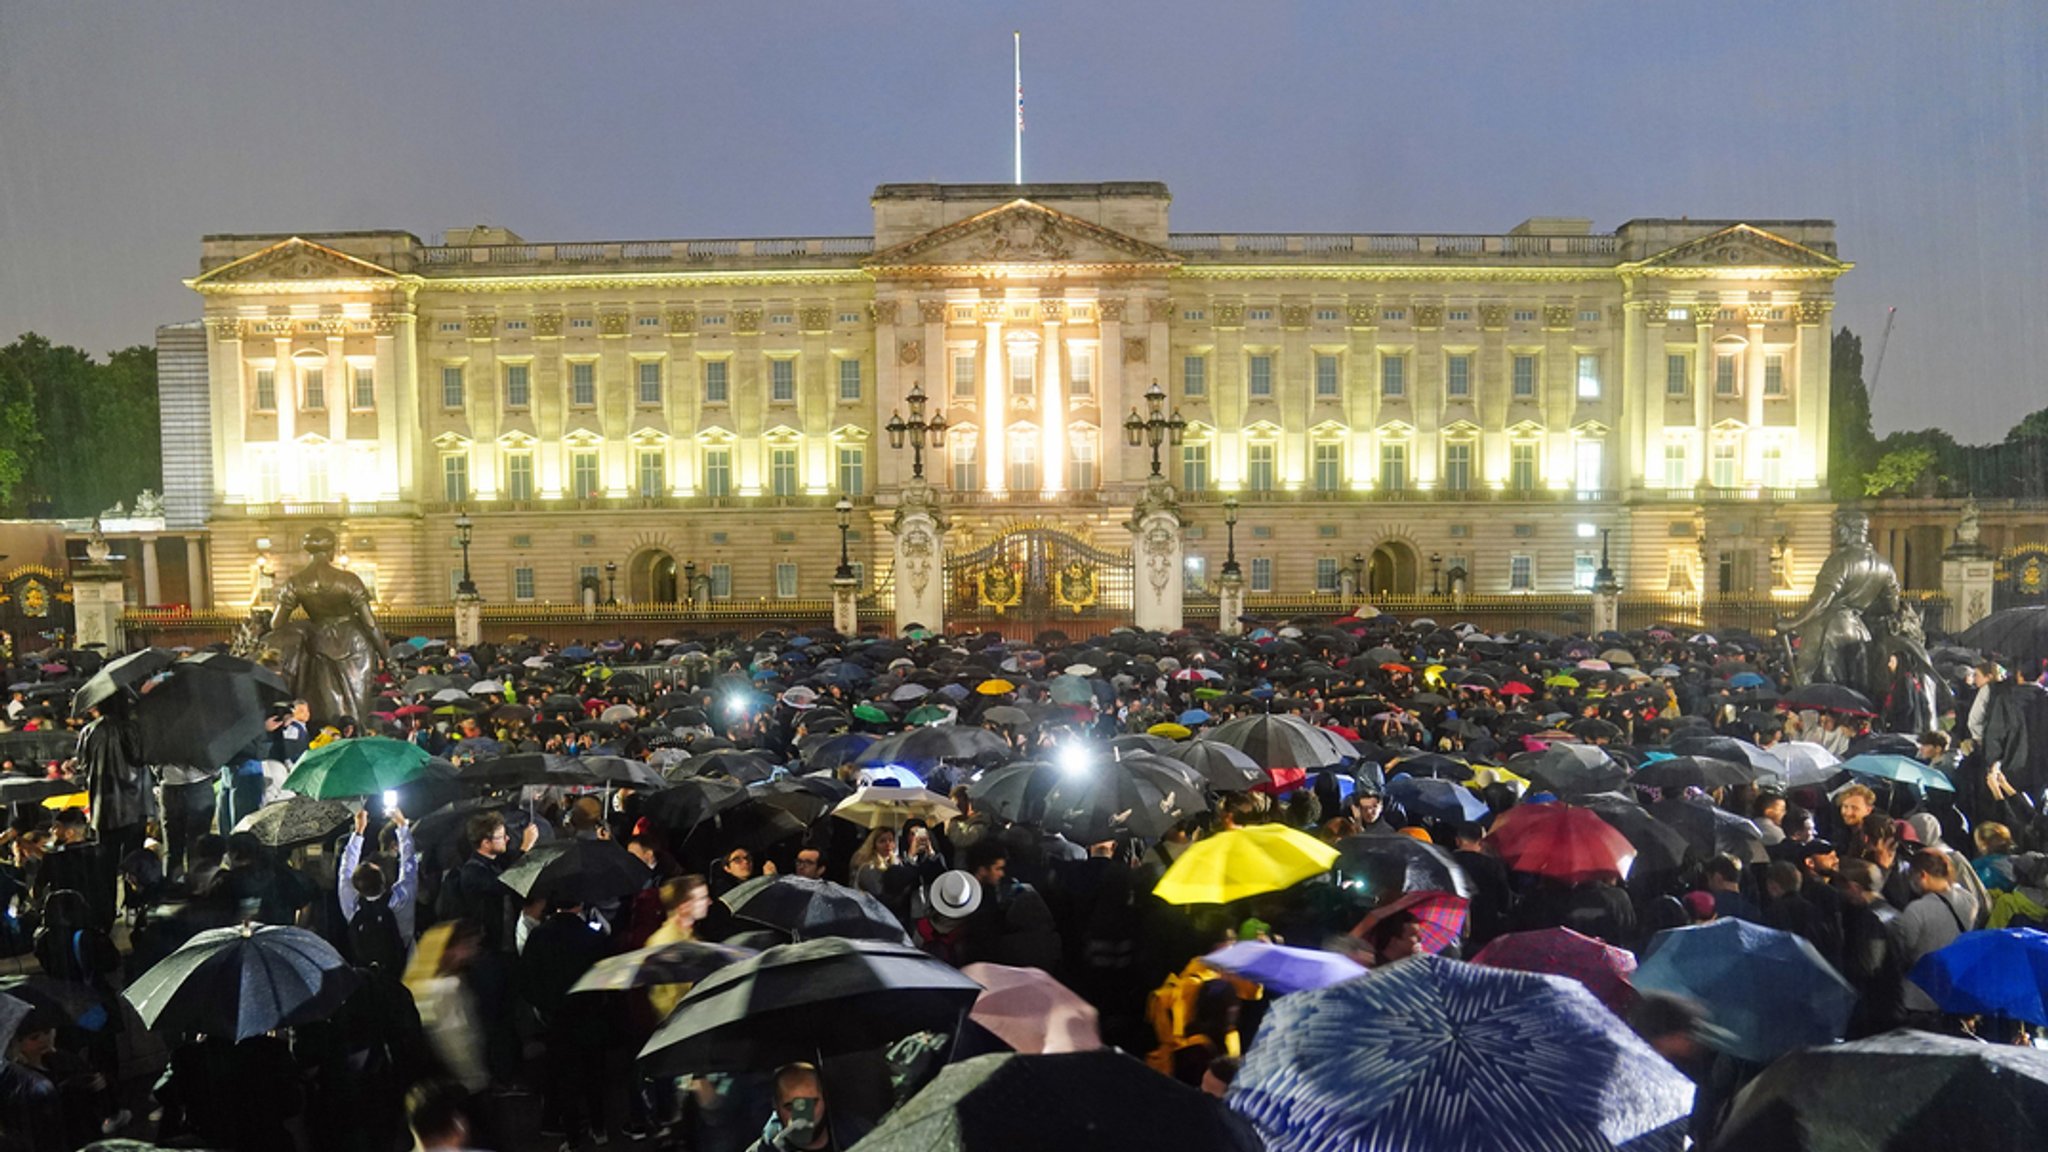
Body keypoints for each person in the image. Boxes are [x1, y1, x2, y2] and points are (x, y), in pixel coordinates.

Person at [75, 698, 149, 930]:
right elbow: (140, 757)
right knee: (134, 860)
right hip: (134, 803)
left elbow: (83, 764)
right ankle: (134, 907)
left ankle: (105, 913)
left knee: (105, 864)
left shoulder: (89, 731)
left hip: (103, 805)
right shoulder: (132, 727)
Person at [1892, 849, 1972, 1022]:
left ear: (1922, 875)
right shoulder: (1969, 901)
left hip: (1919, 997)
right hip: (1954, 993)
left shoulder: (1916, 910)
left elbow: (1904, 950)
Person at [339, 807, 418, 973]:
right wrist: (402, 826)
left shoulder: (353, 906)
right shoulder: (400, 900)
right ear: (384, 881)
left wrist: (359, 830)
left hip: (368, 975)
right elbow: (409, 864)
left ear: (356, 886)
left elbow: (345, 867)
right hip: (404, 970)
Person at [1834, 858, 1906, 1037]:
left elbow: (1868, 965)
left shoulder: (1870, 919)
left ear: (1854, 887)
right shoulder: (1893, 911)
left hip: (1878, 1007)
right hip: (1896, 1000)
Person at [745, 1063, 832, 1152]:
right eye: (791, 1107)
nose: (803, 1116)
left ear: (825, 1098)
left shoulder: (844, 1133)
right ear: (775, 1105)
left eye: (812, 1103)